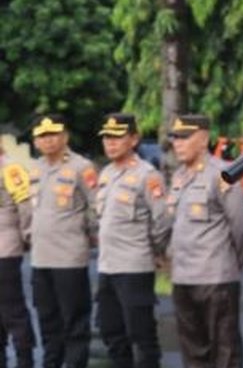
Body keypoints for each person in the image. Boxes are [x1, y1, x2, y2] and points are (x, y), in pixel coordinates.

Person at [167, 114, 243, 368]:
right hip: (183, 277)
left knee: (224, 352)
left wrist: (234, 264)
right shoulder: (178, 177)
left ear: (203, 140)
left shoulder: (223, 175)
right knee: (193, 352)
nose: (177, 144)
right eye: (175, 139)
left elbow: (241, 227)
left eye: (184, 138)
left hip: (216, 277)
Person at [94, 114, 171, 368]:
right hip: (107, 267)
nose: (110, 143)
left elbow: (161, 222)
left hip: (134, 266)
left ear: (134, 139)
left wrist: (156, 252)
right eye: (107, 137)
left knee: (141, 335)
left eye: (117, 137)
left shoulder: (147, 176)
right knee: (111, 331)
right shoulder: (105, 173)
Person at [28, 114, 97, 368]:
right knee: (47, 320)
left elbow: (96, 207)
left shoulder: (81, 167)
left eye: (53, 134)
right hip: (40, 258)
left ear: (65, 136)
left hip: (69, 256)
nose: (48, 140)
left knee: (75, 321)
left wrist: (88, 235)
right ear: (35, 141)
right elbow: (29, 210)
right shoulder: (34, 169)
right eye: (42, 136)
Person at [0, 139, 35, 368]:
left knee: (12, 308)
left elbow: (26, 208)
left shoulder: (10, 168)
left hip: (5, 246)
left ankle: (25, 358)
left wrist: (27, 237)